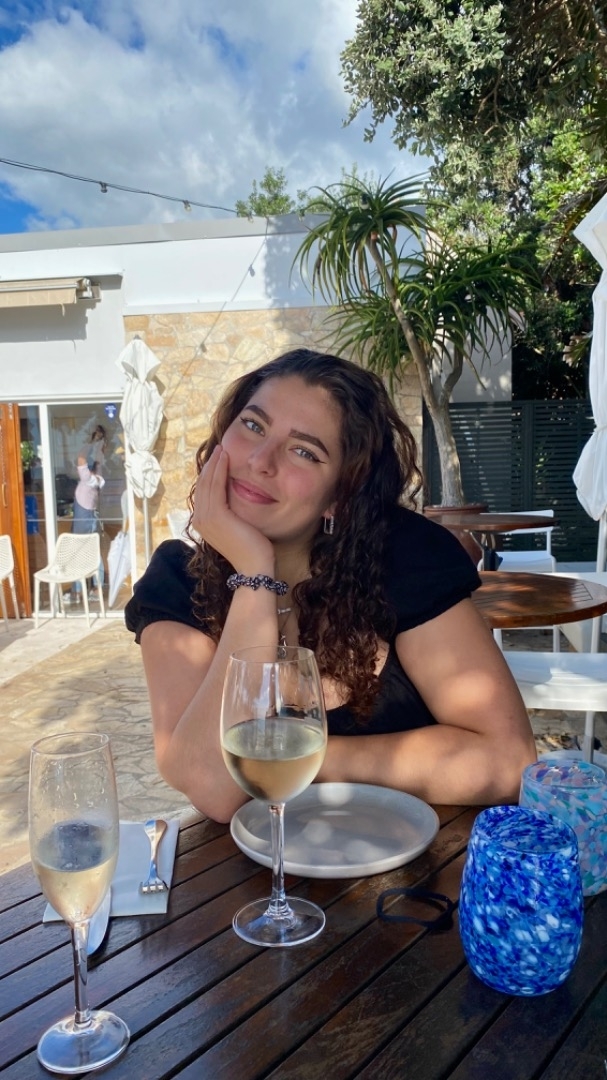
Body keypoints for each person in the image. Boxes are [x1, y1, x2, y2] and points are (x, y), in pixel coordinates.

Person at [125, 349, 536, 823]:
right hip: (248, 868)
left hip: (416, 858)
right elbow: (212, 786)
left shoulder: (405, 559)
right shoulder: (177, 580)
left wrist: (295, 757)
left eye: (304, 451)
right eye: (253, 425)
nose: (260, 460)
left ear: (340, 496)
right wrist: (256, 573)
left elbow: (507, 762)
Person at [71, 424, 107, 598]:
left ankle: (78, 590)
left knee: (78, 551)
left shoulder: (89, 476)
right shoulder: (96, 476)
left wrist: (92, 441)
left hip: (84, 514)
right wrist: (97, 443)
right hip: (89, 513)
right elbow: (93, 460)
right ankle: (96, 587)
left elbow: (80, 457)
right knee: (93, 550)